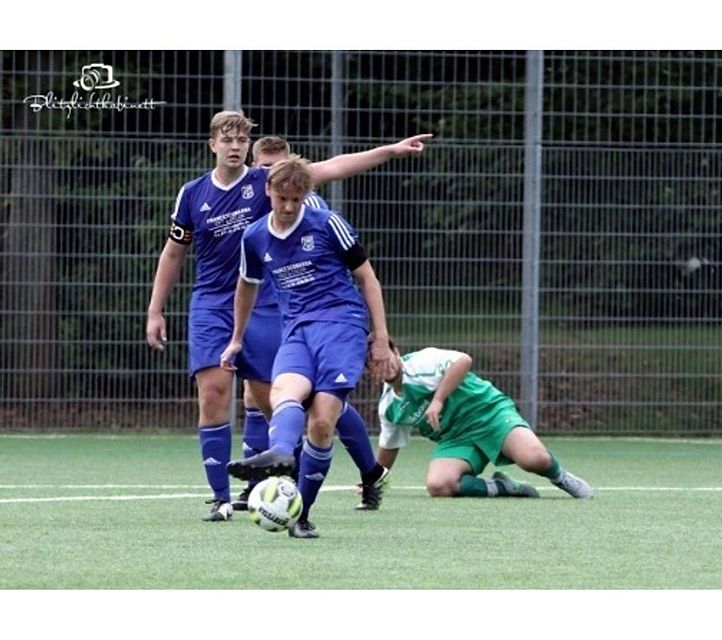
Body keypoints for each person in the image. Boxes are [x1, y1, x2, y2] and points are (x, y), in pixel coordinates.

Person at [146, 110, 430, 522]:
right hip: (212, 303)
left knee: (287, 402)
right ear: (212, 144)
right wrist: (155, 309)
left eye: (242, 139)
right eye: (227, 140)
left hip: (267, 304)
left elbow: (331, 168)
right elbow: (173, 252)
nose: (235, 146)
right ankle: (224, 498)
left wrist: (390, 150)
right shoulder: (192, 194)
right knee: (213, 395)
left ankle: (359, 470)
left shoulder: (269, 182)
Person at [220, 157, 393, 539]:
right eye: (281, 198)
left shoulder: (328, 224)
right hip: (296, 327)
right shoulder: (254, 237)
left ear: (305, 197)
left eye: (295, 200)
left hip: (341, 324)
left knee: (320, 420)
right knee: (285, 391)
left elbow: (367, 278)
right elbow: (246, 286)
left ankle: (302, 514)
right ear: (268, 191)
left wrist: (380, 337)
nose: (287, 207)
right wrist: (236, 338)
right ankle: (281, 454)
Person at [368, 340, 594, 500]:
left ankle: (561, 478)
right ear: (369, 372)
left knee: (535, 460)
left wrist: (438, 400)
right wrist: (373, 482)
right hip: (456, 438)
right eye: (374, 363)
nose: (382, 364)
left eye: (384, 356)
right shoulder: (389, 407)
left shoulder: (422, 362)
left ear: (395, 351)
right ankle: (504, 487)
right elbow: (390, 447)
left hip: (489, 413)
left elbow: (462, 361)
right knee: (438, 485)